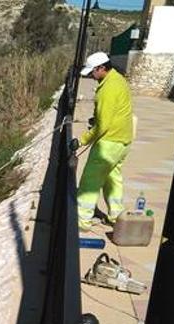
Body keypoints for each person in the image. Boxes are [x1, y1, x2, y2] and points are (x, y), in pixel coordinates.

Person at [72, 51, 134, 231]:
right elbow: (113, 114)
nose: (91, 76)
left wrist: (82, 141)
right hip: (123, 141)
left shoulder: (107, 89)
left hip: (108, 143)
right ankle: (116, 216)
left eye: (93, 72)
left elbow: (103, 125)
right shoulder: (118, 80)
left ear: (101, 68)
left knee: (89, 183)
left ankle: (81, 221)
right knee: (113, 180)